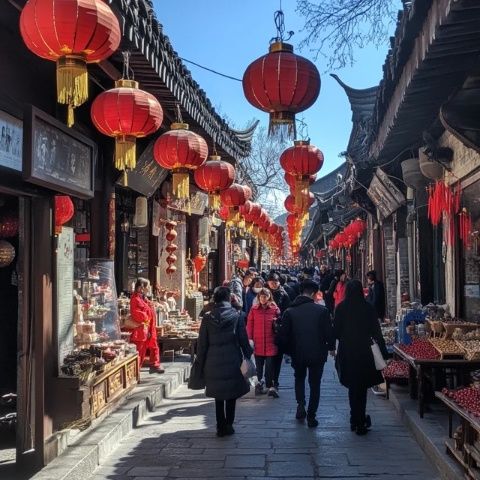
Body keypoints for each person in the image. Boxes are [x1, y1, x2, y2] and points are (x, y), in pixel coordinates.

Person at [195, 286, 253, 437]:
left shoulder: (207, 317)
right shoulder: (237, 316)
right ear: (228, 299)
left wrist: (200, 361)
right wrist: (248, 354)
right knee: (231, 394)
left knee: (218, 395)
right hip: (232, 359)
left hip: (212, 361)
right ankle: (229, 424)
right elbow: (243, 340)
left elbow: (202, 343)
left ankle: (220, 426)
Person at [277, 280, 335, 428]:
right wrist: (332, 347)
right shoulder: (322, 311)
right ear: (314, 294)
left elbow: (283, 335)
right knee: (315, 384)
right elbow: (329, 333)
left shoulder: (290, 312)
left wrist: (285, 351)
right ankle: (311, 415)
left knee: (299, 378)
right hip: (317, 353)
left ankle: (300, 404)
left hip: (298, 352)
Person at [333, 279, 389, 435]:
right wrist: (384, 352)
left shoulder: (341, 308)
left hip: (347, 351)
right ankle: (360, 420)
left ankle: (354, 418)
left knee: (353, 387)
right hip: (364, 351)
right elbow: (376, 332)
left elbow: (336, 331)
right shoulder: (368, 308)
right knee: (362, 387)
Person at [246, 288, 280, 397]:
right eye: (261, 297)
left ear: (269, 297)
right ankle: (259, 385)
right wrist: (250, 339)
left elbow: (279, 325)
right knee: (259, 367)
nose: (263, 299)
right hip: (258, 343)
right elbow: (249, 326)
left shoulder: (275, 309)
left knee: (270, 367)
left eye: (265, 296)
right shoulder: (254, 309)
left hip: (271, 343)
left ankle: (270, 386)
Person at [129, 278, 164, 374]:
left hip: (148, 327)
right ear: (141, 288)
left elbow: (148, 307)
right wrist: (146, 316)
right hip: (142, 329)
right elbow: (135, 313)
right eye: (147, 286)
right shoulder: (135, 299)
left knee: (154, 346)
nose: (149, 288)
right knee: (140, 351)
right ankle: (136, 373)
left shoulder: (143, 298)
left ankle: (154, 365)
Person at [266, 272, 291, 386]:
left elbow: (287, 312)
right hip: (265, 329)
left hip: (278, 330)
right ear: (268, 283)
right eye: (272, 282)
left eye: (275, 282)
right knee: (267, 358)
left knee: (277, 357)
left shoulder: (284, 294)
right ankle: (268, 380)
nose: (274, 284)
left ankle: (275, 380)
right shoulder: (263, 294)